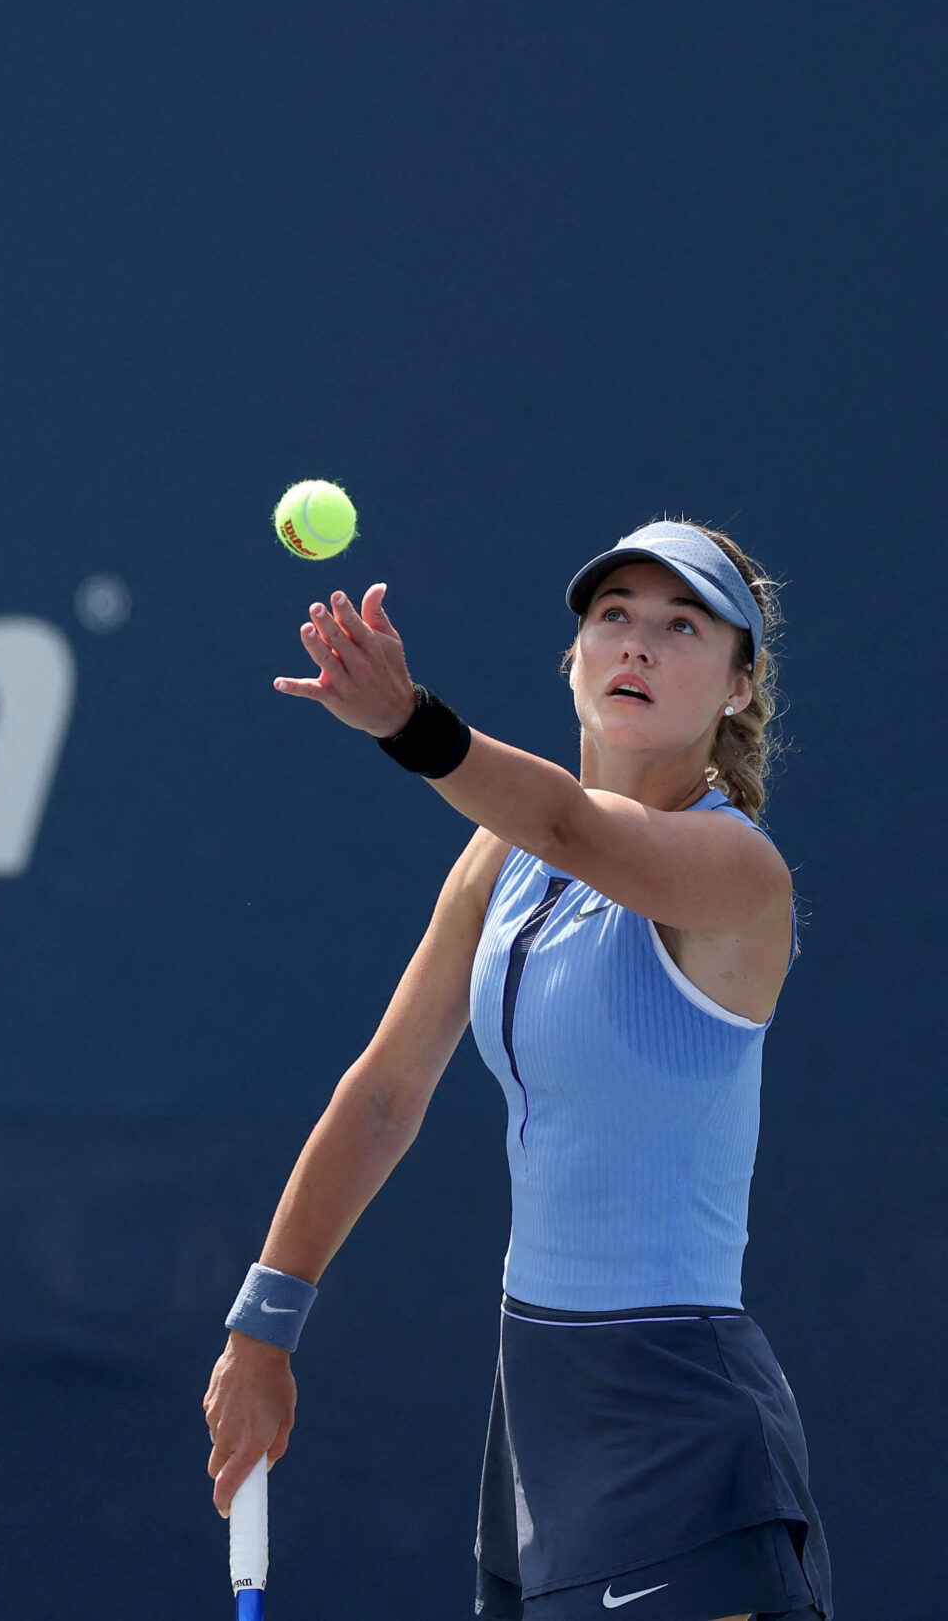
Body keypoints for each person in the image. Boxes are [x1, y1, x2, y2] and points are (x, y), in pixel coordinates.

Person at [200, 522, 830, 1620]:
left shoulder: (736, 869)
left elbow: (570, 822)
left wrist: (409, 722)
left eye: (682, 626)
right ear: (575, 657)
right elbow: (387, 1088)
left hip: (675, 1408)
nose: (636, 644)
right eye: (612, 619)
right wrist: (264, 1322)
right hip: (533, 1403)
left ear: (736, 689)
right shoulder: (497, 856)